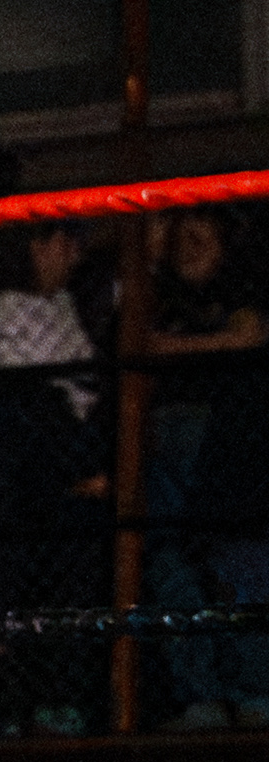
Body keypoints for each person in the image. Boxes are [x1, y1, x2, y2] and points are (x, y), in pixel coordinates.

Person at [0, 220, 109, 734]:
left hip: (64, 449)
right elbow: (21, 386)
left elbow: (86, 379)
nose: (72, 256)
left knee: (68, 572)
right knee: (28, 575)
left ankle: (58, 700)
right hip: (24, 458)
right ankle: (24, 703)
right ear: (37, 247)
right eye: (64, 244)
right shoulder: (7, 307)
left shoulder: (68, 306)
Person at [138, 211, 269, 729]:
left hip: (231, 452)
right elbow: (131, 341)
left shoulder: (242, 296)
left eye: (200, 237)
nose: (187, 248)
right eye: (180, 238)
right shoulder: (162, 302)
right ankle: (201, 696)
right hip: (165, 449)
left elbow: (248, 336)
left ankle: (254, 694)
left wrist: (168, 349)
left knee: (241, 563)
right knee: (171, 566)